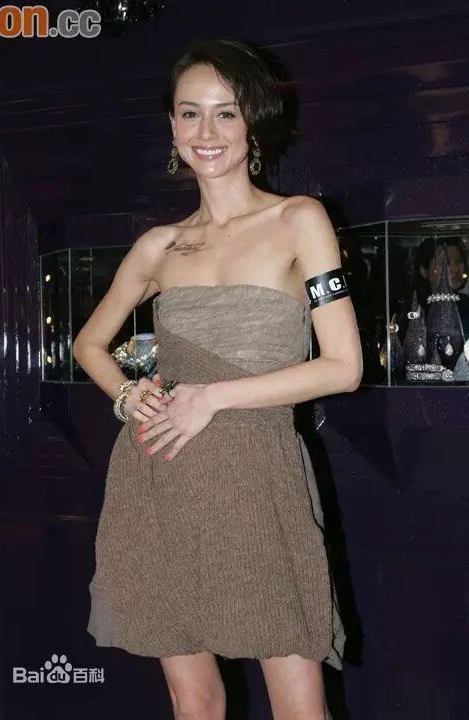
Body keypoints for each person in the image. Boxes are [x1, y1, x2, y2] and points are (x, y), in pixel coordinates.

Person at [73, 38, 362, 720]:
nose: (207, 132)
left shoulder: (299, 220)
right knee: (194, 702)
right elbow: (88, 342)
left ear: (252, 122)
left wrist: (213, 397)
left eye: (225, 112)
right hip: (161, 476)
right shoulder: (159, 244)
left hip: (259, 478)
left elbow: (344, 367)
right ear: (172, 127)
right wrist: (127, 393)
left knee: (300, 707)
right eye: (189, 113)